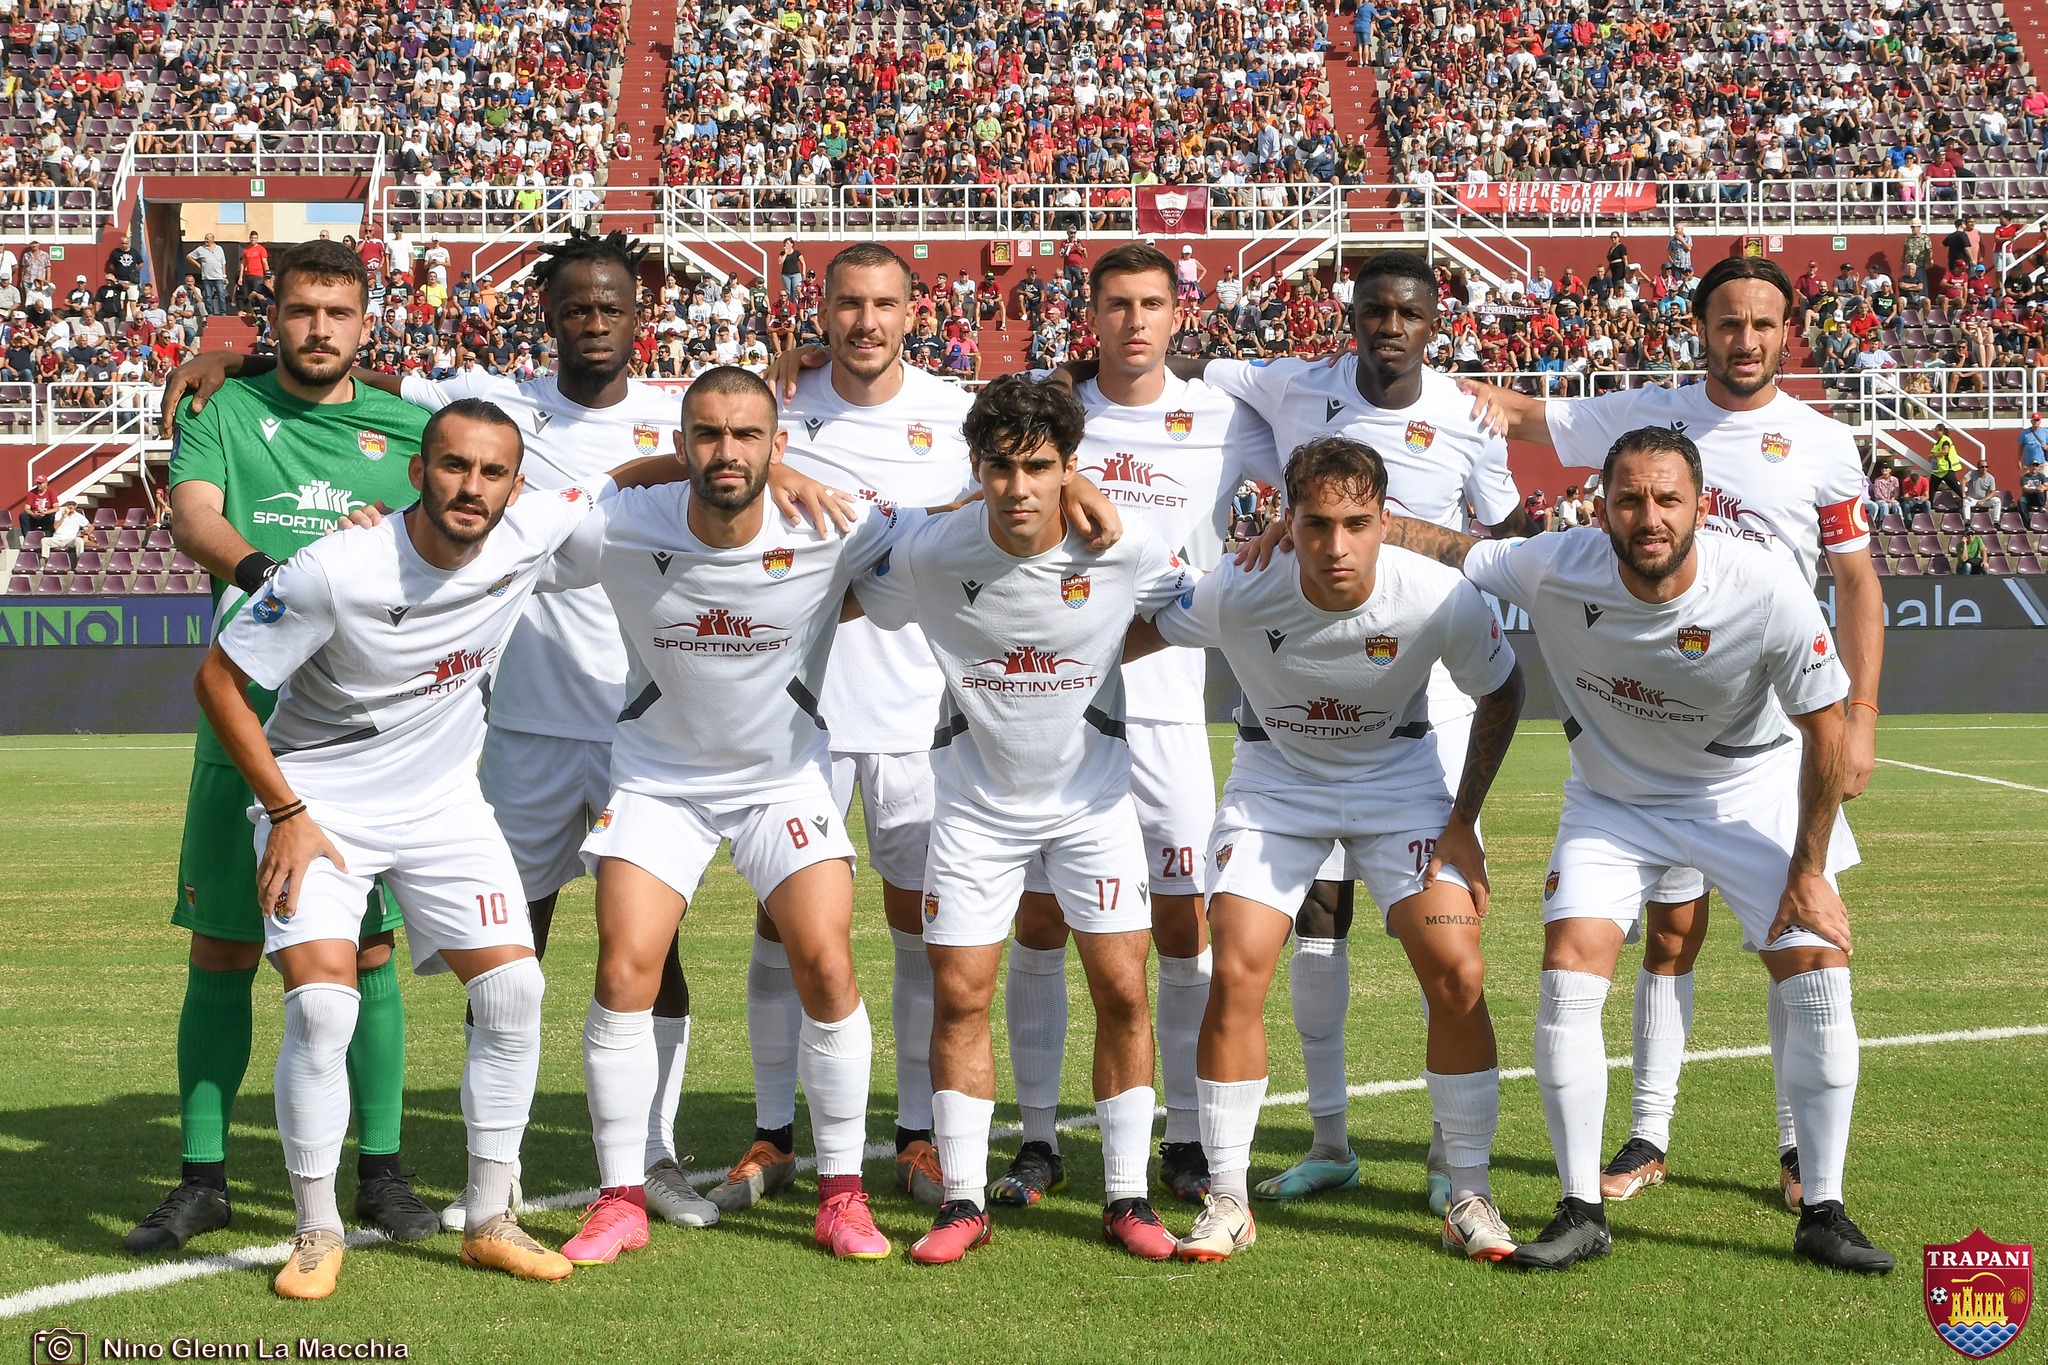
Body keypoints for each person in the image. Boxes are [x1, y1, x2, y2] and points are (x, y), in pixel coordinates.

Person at [161, 229, 851, 1234]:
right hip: (514, 722)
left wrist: (762, 467)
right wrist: (243, 363)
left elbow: (719, 468)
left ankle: (650, 1156)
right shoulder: (481, 399)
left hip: (633, 720)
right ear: (551, 317)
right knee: (502, 949)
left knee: (644, 953)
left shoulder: (687, 413)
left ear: (637, 316)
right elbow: (347, 373)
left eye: (610, 307)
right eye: (575, 307)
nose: (593, 322)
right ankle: (499, 1177)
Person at [1383, 425, 1893, 1276]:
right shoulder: (1556, 563)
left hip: (1747, 790)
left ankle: (1826, 1209)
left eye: (1666, 499)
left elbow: (1826, 730)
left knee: (1816, 966)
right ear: (1603, 506)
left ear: (1700, 506)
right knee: (1569, 966)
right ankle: (1581, 1207)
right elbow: (1454, 545)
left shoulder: (1764, 587)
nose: (1648, 517)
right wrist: (1324, 519)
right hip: (1613, 801)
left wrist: (1808, 873)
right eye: (1629, 499)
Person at [1460, 255, 1885, 1210]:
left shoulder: (1821, 442)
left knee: (1796, 936)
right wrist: (1414, 386)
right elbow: (1521, 415)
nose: (1746, 340)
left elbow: (1857, 582)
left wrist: (1858, 714)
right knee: (1669, 935)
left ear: (1790, 335)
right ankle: (1647, 1131)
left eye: (1764, 324)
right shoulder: (1640, 413)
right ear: (1702, 330)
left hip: (1766, 725)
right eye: (1728, 322)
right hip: (1648, 720)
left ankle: (1796, 1151)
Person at [193, 398, 635, 1298]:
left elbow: (627, 480)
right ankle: (317, 1230)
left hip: (442, 805)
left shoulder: (531, 530)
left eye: (493, 472)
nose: (471, 487)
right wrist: (284, 810)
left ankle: (489, 1217)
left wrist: (776, 468)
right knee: (322, 1010)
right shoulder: (337, 570)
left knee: (514, 989)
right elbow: (218, 681)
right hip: (319, 804)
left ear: (518, 484)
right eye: (453, 466)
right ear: (416, 472)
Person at [745, 244, 1119, 1211]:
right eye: (846, 304)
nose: (864, 322)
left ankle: (916, 1134)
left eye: (884, 304)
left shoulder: (959, 411)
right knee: (780, 924)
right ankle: (770, 1130)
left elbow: (1036, 451)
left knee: (921, 930)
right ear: (818, 311)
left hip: (918, 713)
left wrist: (1073, 486)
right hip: (801, 715)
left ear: (917, 312)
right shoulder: (776, 405)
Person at [1165, 249, 1534, 1216]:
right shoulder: (1291, 383)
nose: (1389, 325)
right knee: (1309, 921)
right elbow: (1200, 369)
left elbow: (1512, 544)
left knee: (1448, 945)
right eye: (1374, 309)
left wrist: (1406, 543)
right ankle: (1326, 1141)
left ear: (1434, 319)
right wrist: (1264, 510)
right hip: (1294, 701)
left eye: (1408, 312)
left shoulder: (1467, 414)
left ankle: (1458, 1168)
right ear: (1353, 313)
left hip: (1423, 695)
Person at [1131, 435, 1526, 1264]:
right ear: (1286, 521)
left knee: (1458, 965)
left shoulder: (1438, 596)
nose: (1335, 546)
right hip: (1277, 787)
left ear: (1387, 521)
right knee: (1236, 962)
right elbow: (1138, 625)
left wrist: (1463, 819)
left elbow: (1504, 688)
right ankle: (1230, 1197)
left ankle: (1468, 1190)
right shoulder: (1240, 588)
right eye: (1315, 524)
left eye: (1356, 523)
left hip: (1402, 785)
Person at [552, 368, 908, 1266]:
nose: (726, 452)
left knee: (826, 959)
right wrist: (638, 473)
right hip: (658, 781)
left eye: (748, 435)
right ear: (680, 444)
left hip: (783, 782)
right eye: (706, 435)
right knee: (624, 965)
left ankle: (842, 1194)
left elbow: (954, 523)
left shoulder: (835, 523)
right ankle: (620, 1196)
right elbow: (546, 501)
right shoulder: (623, 524)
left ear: (779, 445)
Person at [127, 241, 434, 1256]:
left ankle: (381, 1175)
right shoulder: (223, 412)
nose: (319, 328)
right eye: (301, 310)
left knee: (370, 952)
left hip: (362, 736)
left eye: (337, 312)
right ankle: (202, 1179)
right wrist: (279, 575)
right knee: (219, 949)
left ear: (365, 322)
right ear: (276, 314)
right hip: (244, 720)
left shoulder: (414, 429)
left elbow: (458, 535)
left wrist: (387, 539)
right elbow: (191, 517)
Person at [853, 375, 1193, 1265]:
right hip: (972, 809)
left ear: (1069, 467)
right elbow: (857, 570)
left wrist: (1106, 645)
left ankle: (1127, 1197)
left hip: (1093, 806)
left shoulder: (1124, 545)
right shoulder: (932, 552)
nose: (1018, 488)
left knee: (1122, 990)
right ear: (976, 470)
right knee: (959, 993)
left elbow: (1189, 611)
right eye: (999, 468)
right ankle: (963, 1200)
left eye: (1040, 468)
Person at [991, 244, 1284, 1210]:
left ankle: (1188, 1139)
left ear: (1175, 313)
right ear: (1094, 313)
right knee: (1040, 915)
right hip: (1056, 691)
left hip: (1164, 697)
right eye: (1116, 303)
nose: (1134, 320)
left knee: (1179, 917)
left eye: (1152, 303)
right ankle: (1038, 1138)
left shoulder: (1224, 417)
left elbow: (1306, 480)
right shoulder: (1050, 415)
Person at [186, 232, 228, 316]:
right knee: (208, 296)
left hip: (218, 277)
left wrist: (224, 276)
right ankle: (210, 312)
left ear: (212, 239)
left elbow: (223, 263)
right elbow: (189, 256)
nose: (205, 240)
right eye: (205, 238)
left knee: (221, 294)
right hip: (206, 277)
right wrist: (198, 264)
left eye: (207, 239)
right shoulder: (200, 249)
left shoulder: (219, 249)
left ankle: (223, 312)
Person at [1928, 425, 1966, 500]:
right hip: (1938, 471)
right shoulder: (1938, 442)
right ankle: (1930, 506)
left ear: (1941, 431)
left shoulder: (1945, 440)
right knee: (1932, 489)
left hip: (1946, 469)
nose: (1934, 432)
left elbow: (1945, 451)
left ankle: (1966, 500)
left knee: (1955, 487)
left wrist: (1933, 455)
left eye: (1936, 430)